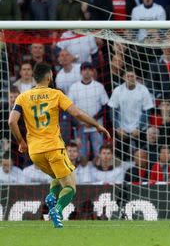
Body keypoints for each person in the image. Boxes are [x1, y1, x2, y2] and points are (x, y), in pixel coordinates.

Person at [8, 63, 111, 228]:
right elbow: (76, 113)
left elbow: (12, 121)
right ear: (49, 76)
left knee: (57, 176)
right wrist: (96, 125)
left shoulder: (22, 96)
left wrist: (21, 142)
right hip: (54, 148)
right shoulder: (56, 94)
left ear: (34, 77)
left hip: (35, 153)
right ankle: (57, 209)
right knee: (71, 187)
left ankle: (51, 196)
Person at [68, 62, 109, 158]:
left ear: (92, 72)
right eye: (84, 70)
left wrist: (92, 120)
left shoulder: (99, 86)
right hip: (80, 126)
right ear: (81, 72)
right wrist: (82, 120)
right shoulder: (74, 87)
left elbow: (105, 106)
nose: (86, 72)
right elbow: (70, 107)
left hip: (96, 126)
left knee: (98, 153)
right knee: (81, 154)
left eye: (89, 70)